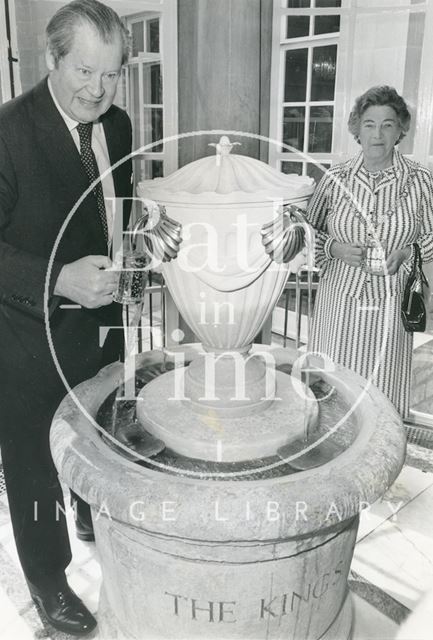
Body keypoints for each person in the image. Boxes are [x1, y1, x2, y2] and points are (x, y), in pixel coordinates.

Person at [0, 0, 132, 635]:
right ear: (51, 58)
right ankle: (48, 582)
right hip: (27, 339)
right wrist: (57, 280)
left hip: (101, 332)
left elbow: (110, 207)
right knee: (32, 464)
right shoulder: (6, 131)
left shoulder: (120, 123)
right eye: (84, 71)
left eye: (110, 75)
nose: (97, 90)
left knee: (97, 438)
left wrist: (136, 241)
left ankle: (87, 508)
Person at [305, 85, 433, 418]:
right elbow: (306, 233)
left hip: (390, 308)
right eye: (370, 124)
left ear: (401, 129)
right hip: (338, 305)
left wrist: (407, 252)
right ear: (357, 130)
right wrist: (334, 248)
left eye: (388, 124)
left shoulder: (420, 181)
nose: (378, 133)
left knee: (381, 394)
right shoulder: (336, 178)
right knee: (333, 392)